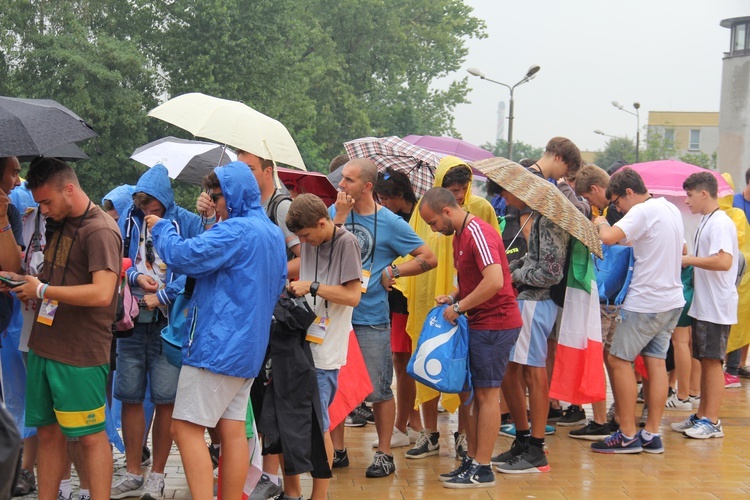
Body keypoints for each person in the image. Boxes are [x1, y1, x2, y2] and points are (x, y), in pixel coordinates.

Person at [145, 160, 287, 499]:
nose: (213, 201)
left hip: (216, 346)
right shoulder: (268, 230)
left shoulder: (236, 229)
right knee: (233, 430)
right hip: (248, 348)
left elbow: (182, 255)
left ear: (233, 195)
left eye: (217, 195)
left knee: (185, 427)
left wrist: (162, 228)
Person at [1, 157, 122, 500]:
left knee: (89, 437)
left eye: (46, 201)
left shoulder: (99, 229)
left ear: (69, 189)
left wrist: (41, 290)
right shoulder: (61, 222)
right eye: (38, 203)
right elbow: (55, 280)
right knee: (48, 434)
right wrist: (23, 283)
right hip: (44, 345)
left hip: (80, 354)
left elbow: (102, 293)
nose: (43, 209)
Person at [330, 158, 436, 478]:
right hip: (335, 316)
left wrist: (395, 270)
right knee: (335, 386)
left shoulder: (390, 222)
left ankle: (385, 452)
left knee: (378, 389)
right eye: (341, 179)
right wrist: (340, 216)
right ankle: (337, 451)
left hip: (371, 317)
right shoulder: (334, 214)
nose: (341, 186)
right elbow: (323, 253)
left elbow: (427, 257)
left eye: (348, 180)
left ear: (367, 186)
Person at [418, 187, 522, 488]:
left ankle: (483, 466)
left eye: (434, 223)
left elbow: (494, 280)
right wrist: (451, 297)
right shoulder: (459, 236)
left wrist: (460, 307)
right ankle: (474, 459)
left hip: (496, 323)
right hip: (480, 322)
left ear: (447, 212)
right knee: (476, 395)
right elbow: (469, 280)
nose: (434, 229)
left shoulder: (478, 232)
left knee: (488, 395)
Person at [111, 165, 203, 500]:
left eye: (153, 205)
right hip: (132, 321)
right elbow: (120, 262)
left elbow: (195, 267)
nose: (148, 211)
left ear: (165, 201)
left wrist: (162, 295)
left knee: (166, 399)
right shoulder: (128, 221)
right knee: (131, 395)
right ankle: (134, 470)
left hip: (171, 323)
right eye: (142, 205)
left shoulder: (188, 221)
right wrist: (136, 279)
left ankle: (159, 475)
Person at [403, 156, 501, 462]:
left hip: (467, 299)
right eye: (452, 188)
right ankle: (429, 433)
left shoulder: (481, 209)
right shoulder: (425, 208)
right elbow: (411, 245)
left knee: (462, 364)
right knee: (427, 358)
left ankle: (463, 435)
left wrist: (462, 300)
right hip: (431, 293)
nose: (458, 195)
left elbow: (496, 256)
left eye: (463, 188)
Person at [593, 167, 684, 454]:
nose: (618, 209)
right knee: (656, 363)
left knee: (618, 360)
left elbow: (608, 238)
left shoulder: (642, 211)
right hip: (671, 300)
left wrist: (599, 223)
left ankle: (627, 434)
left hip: (645, 302)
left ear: (629, 192)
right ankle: (651, 434)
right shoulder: (669, 208)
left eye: (617, 202)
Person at [285, 194, 362, 500]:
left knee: (319, 427)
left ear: (321, 223)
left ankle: (320, 494)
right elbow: (325, 234)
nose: (303, 242)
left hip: (327, 349)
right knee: (296, 422)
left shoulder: (348, 243)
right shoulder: (316, 237)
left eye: (305, 236)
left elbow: (353, 296)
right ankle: (294, 492)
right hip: (304, 343)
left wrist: (311, 286)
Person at [491, 187, 569, 474]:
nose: (505, 200)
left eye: (508, 194)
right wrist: (514, 267)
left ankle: (535, 447)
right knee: (511, 368)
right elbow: (533, 260)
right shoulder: (537, 216)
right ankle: (524, 439)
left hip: (536, 301)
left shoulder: (549, 219)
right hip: (529, 302)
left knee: (532, 371)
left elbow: (549, 272)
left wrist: (514, 274)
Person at [671, 172, 738, 439]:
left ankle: (712, 420)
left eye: (689, 195)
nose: (687, 201)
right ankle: (702, 415)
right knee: (706, 360)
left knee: (712, 363)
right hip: (705, 303)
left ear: (704, 193)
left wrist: (689, 260)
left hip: (716, 306)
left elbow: (724, 261)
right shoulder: (705, 222)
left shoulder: (720, 223)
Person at [566, 165, 626, 440]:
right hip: (621, 295)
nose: (590, 204)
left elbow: (602, 245)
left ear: (595, 190)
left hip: (603, 294)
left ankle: (600, 419)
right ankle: (620, 416)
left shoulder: (607, 213)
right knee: (615, 360)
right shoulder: (625, 208)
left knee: (598, 356)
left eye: (589, 199)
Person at [372, 168, 422, 449]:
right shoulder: (390, 218)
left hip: (409, 299)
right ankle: (408, 422)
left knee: (404, 363)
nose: (382, 204)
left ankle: (406, 424)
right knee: (401, 363)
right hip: (394, 299)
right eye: (379, 198)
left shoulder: (414, 221)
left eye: (386, 199)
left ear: (400, 195)